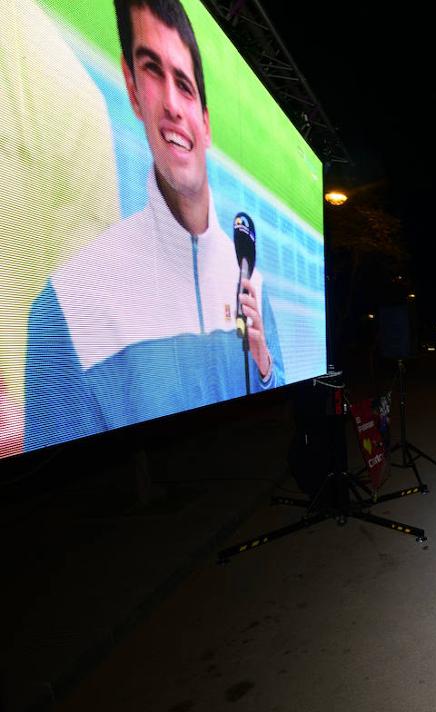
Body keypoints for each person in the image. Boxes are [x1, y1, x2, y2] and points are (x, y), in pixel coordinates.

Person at [24, 0, 286, 451]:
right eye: (152, 71)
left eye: (184, 85)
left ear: (205, 122)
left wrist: (263, 366)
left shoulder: (251, 283)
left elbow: (275, 392)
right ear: (131, 88)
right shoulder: (67, 304)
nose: (171, 104)